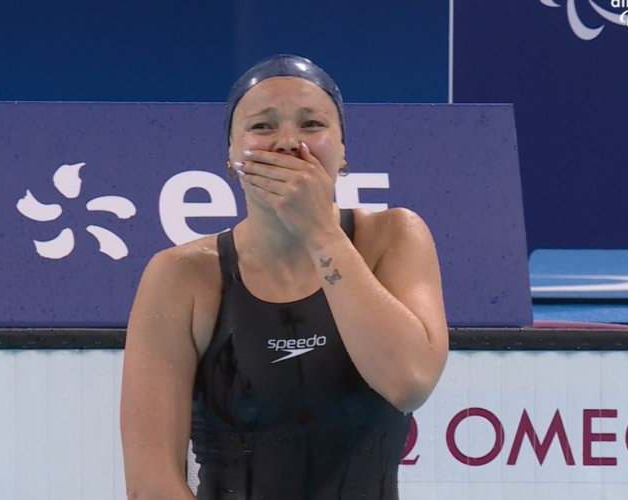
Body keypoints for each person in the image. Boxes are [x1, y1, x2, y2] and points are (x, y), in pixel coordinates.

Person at [120, 54, 449, 500]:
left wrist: (320, 232)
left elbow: (408, 382)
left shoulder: (393, 238)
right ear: (231, 156)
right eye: (262, 126)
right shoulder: (182, 276)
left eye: (312, 124)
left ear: (344, 152)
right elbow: (150, 484)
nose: (289, 143)